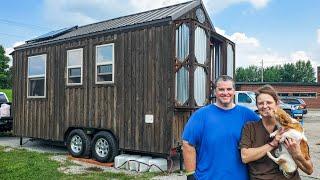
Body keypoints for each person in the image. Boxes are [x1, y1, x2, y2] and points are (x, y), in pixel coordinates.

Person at [182, 75, 261, 180]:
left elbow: (265, 127)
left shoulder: (246, 114)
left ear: (234, 90)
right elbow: (187, 143)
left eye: (229, 89)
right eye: (221, 89)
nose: (225, 93)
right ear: (215, 92)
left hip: (239, 177)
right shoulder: (201, 115)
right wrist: (190, 174)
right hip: (207, 176)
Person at [240, 85, 313, 180]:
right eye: (260, 103)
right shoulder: (250, 127)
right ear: (257, 106)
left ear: (277, 104)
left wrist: (296, 154)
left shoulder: (291, 128)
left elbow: (309, 170)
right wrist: (272, 143)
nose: (265, 106)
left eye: (269, 102)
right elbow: (245, 157)